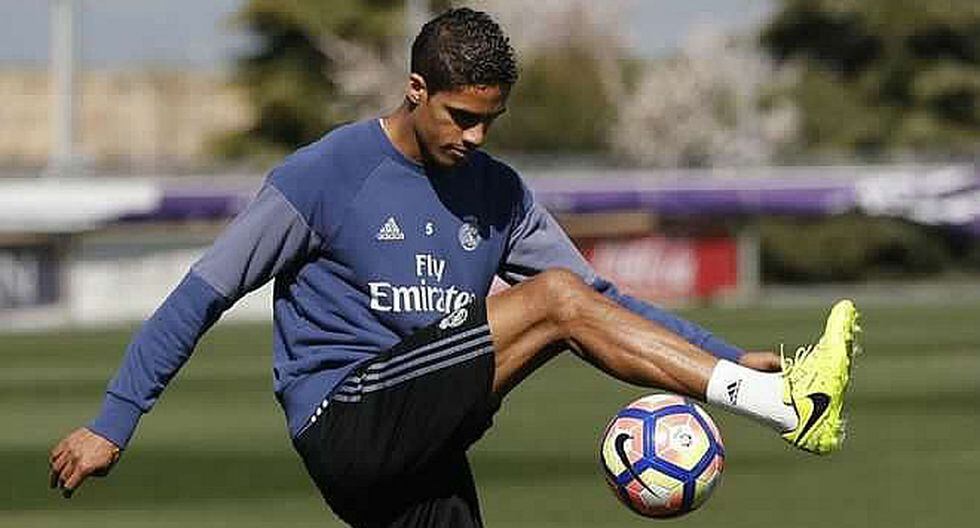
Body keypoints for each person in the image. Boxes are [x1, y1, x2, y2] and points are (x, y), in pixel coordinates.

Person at [49, 7, 860, 528]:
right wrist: (114, 421)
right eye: (462, 117)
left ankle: (760, 389)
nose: (475, 137)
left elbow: (598, 300)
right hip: (347, 416)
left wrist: (718, 353)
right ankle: (784, 408)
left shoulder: (496, 191)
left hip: (428, 443)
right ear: (416, 90)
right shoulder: (324, 175)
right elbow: (204, 291)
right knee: (551, 300)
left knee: (566, 298)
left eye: (490, 121)